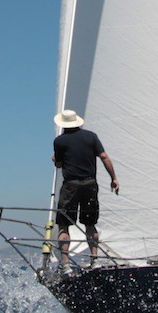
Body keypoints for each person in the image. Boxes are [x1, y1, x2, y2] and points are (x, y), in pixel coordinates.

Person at [51, 108, 119, 267]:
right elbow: (104, 156)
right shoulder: (91, 137)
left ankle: (65, 264)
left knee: (64, 225)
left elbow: (59, 164)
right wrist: (114, 178)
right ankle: (94, 260)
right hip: (90, 184)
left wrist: (55, 159)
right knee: (90, 223)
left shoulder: (59, 141)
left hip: (71, 186)